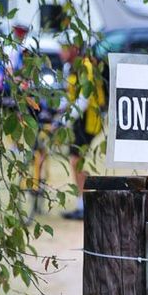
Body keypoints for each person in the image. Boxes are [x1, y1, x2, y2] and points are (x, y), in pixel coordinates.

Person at [57, 34, 106, 220]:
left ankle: (85, 205)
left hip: (88, 119)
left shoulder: (85, 66)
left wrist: (64, 120)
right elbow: (69, 95)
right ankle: (82, 203)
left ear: (75, 48)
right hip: (79, 117)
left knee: (79, 161)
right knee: (77, 161)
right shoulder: (71, 67)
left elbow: (83, 100)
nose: (61, 51)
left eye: (65, 47)